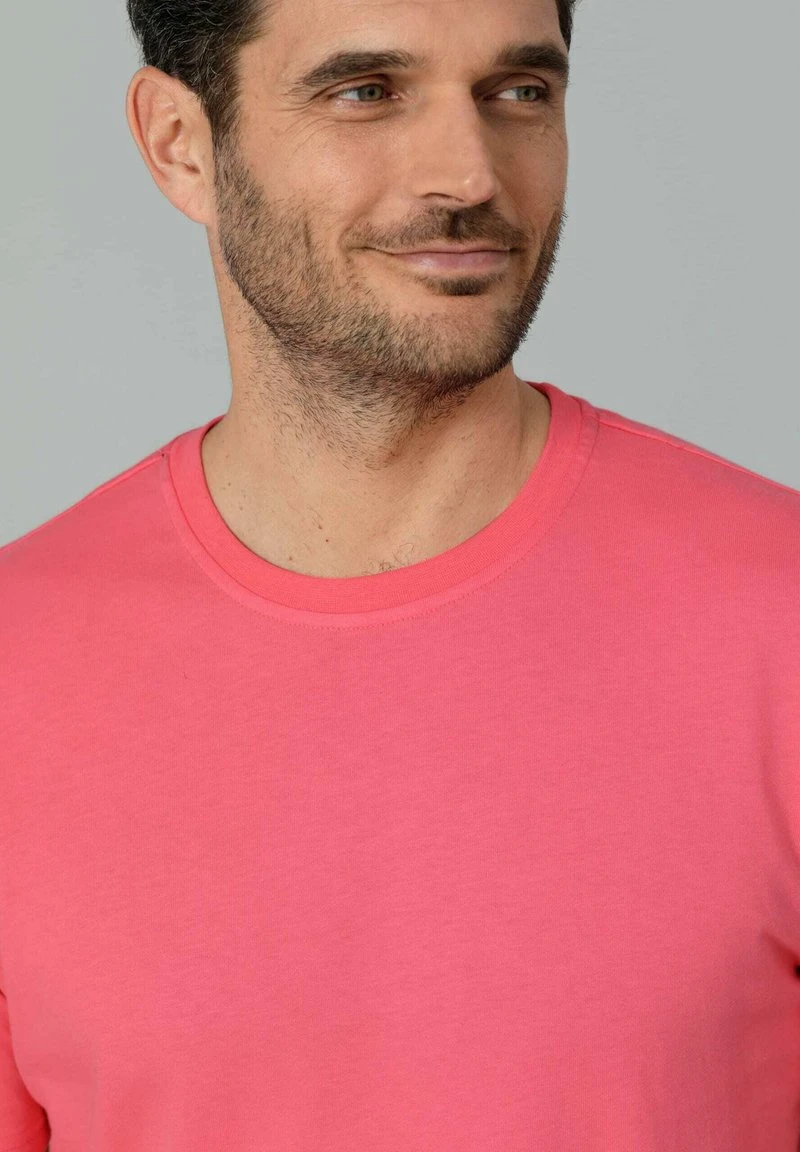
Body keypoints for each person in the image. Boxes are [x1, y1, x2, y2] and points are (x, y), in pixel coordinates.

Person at [1, 0, 799, 1149]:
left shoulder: (776, 616)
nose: (468, 173)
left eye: (517, 92)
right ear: (182, 144)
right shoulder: (18, 667)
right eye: (364, 93)